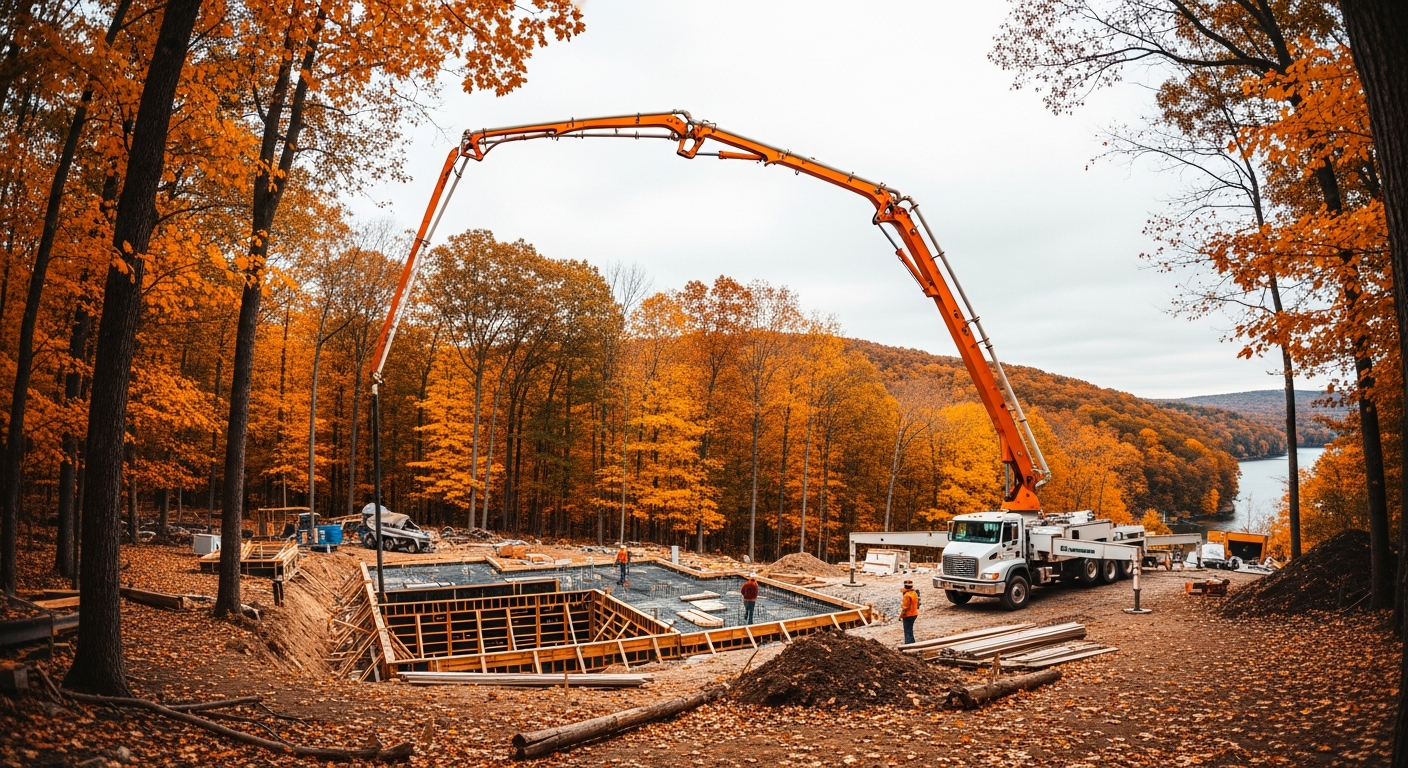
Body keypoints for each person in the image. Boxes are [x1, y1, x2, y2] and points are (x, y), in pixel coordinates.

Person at [900, 579, 920, 645]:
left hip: (908, 615)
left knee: (907, 631)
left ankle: (908, 645)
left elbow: (905, 608)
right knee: (910, 630)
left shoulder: (907, 596)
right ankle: (913, 643)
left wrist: (901, 616)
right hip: (914, 613)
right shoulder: (914, 593)